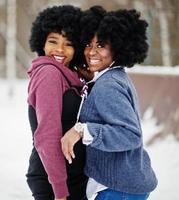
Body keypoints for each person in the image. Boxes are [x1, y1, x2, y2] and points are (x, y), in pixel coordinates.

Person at [61, 8, 158, 200]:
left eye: (101, 45)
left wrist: (82, 130)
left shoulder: (109, 85)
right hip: (121, 185)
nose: (92, 52)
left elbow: (130, 135)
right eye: (89, 44)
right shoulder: (115, 77)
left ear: (118, 47)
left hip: (117, 190)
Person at [26, 5, 88, 200]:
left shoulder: (70, 76)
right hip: (54, 181)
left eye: (68, 44)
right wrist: (60, 192)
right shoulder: (49, 73)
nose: (60, 49)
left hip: (72, 177)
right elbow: (47, 135)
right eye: (53, 41)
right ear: (42, 43)